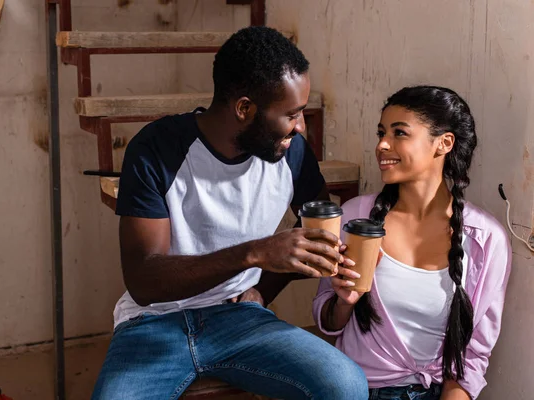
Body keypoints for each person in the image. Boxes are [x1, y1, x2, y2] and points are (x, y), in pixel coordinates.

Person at [92, 26, 368, 400]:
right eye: (291, 114)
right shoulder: (158, 148)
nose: (300, 126)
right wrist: (253, 253)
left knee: (346, 386)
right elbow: (144, 281)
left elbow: (313, 231)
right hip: (152, 324)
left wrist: (262, 288)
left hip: (239, 319)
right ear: (244, 108)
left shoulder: (293, 153)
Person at [313, 86, 512, 400]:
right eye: (381, 132)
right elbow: (326, 320)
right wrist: (344, 302)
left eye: (399, 133)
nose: (382, 145)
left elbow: (472, 358)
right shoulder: (356, 218)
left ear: (443, 144)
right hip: (357, 390)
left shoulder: (486, 240)